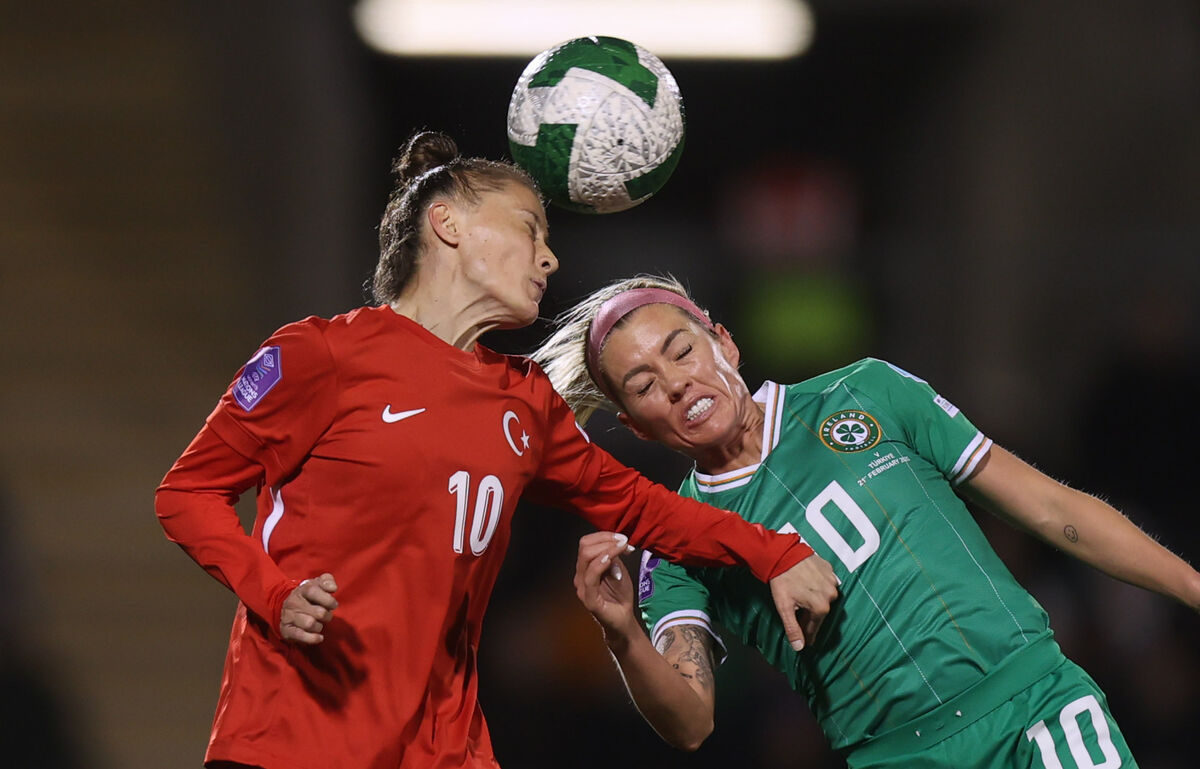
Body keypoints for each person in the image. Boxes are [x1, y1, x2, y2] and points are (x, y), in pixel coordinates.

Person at [154, 133, 840, 769]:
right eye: (529, 229)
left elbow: (640, 506)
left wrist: (775, 551)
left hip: (446, 748)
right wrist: (273, 593)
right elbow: (186, 493)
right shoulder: (319, 355)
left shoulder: (524, 400)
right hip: (295, 738)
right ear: (449, 225)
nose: (550, 256)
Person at [531, 274, 1200, 769]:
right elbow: (691, 722)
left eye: (680, 349)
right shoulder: (674, 542)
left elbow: (1051, 508)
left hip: (1033, 706)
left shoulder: (868, 391)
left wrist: (1194, 587)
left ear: (723, 342)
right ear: (633, 425)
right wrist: (622, 635)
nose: (674, 381)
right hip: (898, 757)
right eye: (644, 384)